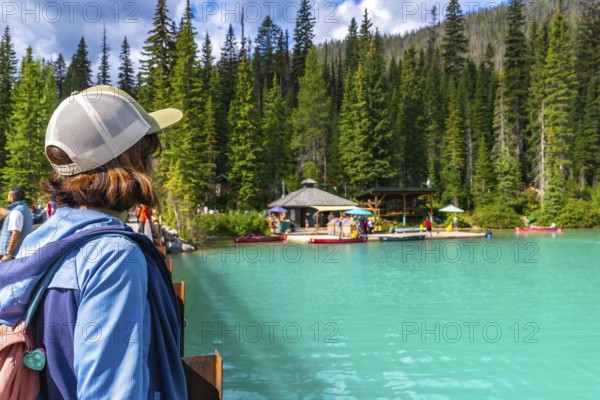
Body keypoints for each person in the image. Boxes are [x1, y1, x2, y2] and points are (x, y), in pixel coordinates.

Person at [14, 85, 186, 398]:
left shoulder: (38, 240)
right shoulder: (115, 256)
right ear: (133, 161)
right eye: (150, 153)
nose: (156, 165)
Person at [0, 186, 33, 262]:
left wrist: (8, 254)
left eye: (8, 196)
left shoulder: (16, 212)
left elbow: (16, 234)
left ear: (12, 198)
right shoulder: (24, 208)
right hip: (17, 253)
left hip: (11, 255)